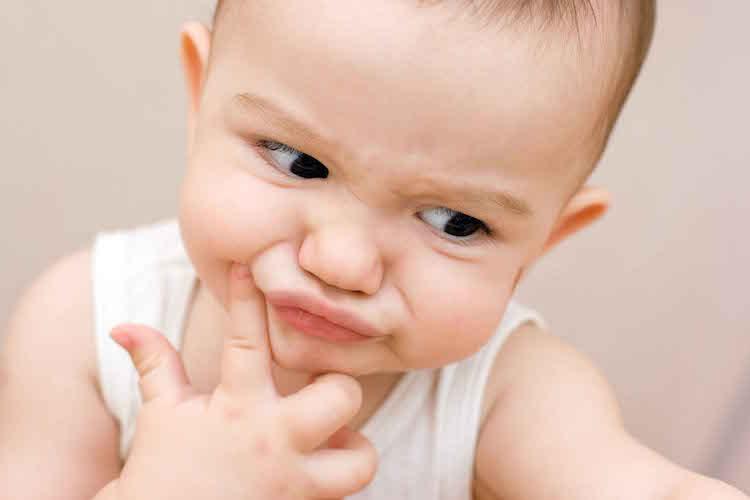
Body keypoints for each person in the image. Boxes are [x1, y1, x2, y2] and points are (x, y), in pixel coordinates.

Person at [1, 0, 747, 498]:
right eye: (298, 162)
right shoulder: (83, 327)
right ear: (202, 101)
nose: (342, 264)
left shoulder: (507, 394)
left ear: (543, 241)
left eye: (454, 222)